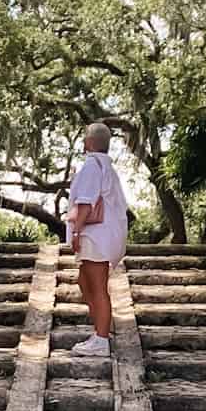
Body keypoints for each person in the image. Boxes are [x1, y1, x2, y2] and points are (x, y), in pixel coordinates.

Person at [65, 122, 129, 358]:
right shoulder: (106, 167)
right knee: (84, 282)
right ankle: (99, 332)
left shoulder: (92, 165)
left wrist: (76, 231)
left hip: (96, 235)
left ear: (90, 142)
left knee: (97, 286)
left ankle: (101, 340)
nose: (83, 141)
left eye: (85, 138)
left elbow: (85, 202)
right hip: (101, 235)